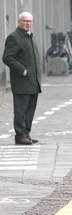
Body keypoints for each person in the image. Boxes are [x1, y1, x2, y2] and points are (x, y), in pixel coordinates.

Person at [2, 12, 41, 145]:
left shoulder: (30, 36)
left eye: (30, 21)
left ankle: (26, 133)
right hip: (22, 81)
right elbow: (7, 57)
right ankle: (20, 135)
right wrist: (22, 70)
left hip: (33, 81)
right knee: (21, 109)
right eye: (25, 21)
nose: (28, 23)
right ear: (19, 22)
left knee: (30, 108)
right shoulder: (14, 37)